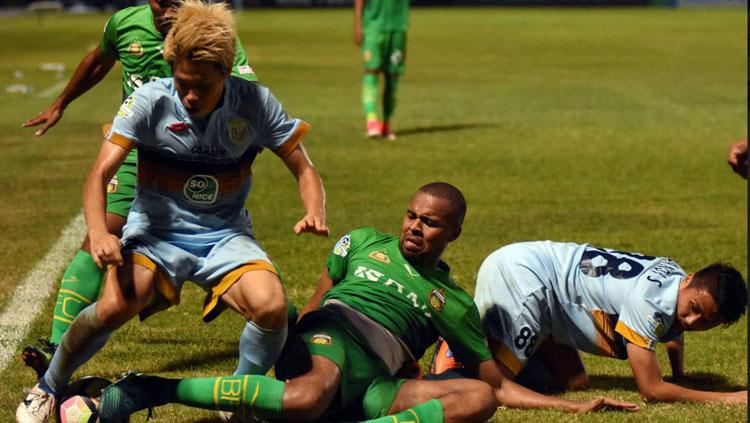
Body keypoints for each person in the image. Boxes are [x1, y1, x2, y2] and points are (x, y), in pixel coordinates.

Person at [16, 1, 328, 422]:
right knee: (112, 307)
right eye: (182, 83)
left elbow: (304, 168)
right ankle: (48, 386)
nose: (190, 95)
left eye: (201, 84)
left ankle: (235, 401)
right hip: (156, 234)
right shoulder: (150, 100)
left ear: (225, 71)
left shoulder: (254, 102)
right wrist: (101, 232)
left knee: (272, 308)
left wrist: (314, 209)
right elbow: (99, 173)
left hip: (223, 235)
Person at [93, 183, 637, 422]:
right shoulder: (363, 242)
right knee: (309, 396)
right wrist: (296, 354)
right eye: (411, 215)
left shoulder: (453, 301)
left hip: (375, 382)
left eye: (430, 222)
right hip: (332, 338)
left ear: (454, 234)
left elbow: (495, 383)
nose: (414, 227)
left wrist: (574, 407)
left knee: (475, 401)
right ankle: (147, 389)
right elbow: (316, 304)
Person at [20, 0, 259, 378]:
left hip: (191, 160)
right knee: (101, 232)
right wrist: (61, 102)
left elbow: (247, 86)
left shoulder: (205, 31)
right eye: (159, 1)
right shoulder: (125, 23)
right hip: (134, 151)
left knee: (213, 254)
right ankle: (56, 345)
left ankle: (282, 326)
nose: (167, 8)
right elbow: (98, 60)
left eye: (175, 1)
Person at [432, 241, 748, 404]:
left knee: (574, 383)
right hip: (528, 277)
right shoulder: (649, 303)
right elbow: (651, 389)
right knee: (494, 389)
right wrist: (729, 398)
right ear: (690, 280)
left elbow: (673, 329)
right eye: (693, 308)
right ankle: (457, 347)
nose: (690, 320)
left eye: (704, 321)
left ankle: (499, 340)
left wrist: (680, 374)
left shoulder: (676, 278)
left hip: (543, 281)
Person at [354, 0, 407, 140]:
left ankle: (386, 123)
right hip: (373, 26)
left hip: (398, 27)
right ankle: (371, 120)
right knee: (372, 70)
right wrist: (358, 24)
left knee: (393, 76)